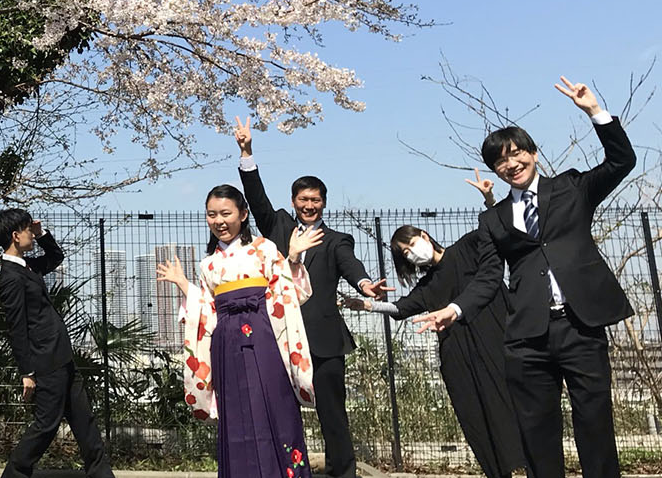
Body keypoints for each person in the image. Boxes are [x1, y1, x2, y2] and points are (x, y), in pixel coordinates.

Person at [413, 77, 637, 478]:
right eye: (500, 160)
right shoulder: (493, 219)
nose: (510, 164)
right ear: (495, 169)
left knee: (595, 426)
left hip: (580, 326)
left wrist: (594, 112)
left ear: (532, 153)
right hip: (527, 336)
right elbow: (487, 278)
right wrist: (455, 309)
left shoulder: (571, 188)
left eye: (516, 153)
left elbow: (621, 162)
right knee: (536, 434)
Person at [233, 117, 392, 478]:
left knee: (333, 413)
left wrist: (365, 283)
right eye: (303, 199)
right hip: (279, 337)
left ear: (323, 203)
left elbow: (350, 265)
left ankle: (342, 472)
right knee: (278, 410)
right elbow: (256, 199)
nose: (309, 205)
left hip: (323, 339)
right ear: (293, 202)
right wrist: (247, 153)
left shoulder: (336, 240)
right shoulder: (278, 226)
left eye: (315, 200)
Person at [157, 184, 322, 478]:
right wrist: (183, 284)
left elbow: (288, 294)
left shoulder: (265, 249)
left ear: (243, 214)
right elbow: (206, 310)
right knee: (235, 413)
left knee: (275, 403)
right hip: (226, 342)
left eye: (225, 213)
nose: (219, 221)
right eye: (212, 215)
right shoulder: (208, 264)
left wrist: (294, 257)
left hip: (264, 336)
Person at [345, 221, 525, 478]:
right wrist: (368, 305)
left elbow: (497, 232)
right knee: (476, 415)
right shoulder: (429, 285)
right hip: (459, 358)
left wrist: (491, 203)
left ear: (424, 236)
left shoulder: (468, 247)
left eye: (411, 244)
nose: (412, 253)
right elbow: (401, 308)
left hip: (497, 341)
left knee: (515, 404)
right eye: (406, 253)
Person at [0, 208, 113, 478]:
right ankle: (13, 474)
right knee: (46, 425)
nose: (30, 234)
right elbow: (17, 328)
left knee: (84, 420)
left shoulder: (28, 266)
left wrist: (41, 233)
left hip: (62, 356)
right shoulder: (10, 277)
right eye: (27, 229)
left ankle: (102, 474)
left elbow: (56, 257)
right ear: (15, 235)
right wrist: (27, 372)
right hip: (45, 361)